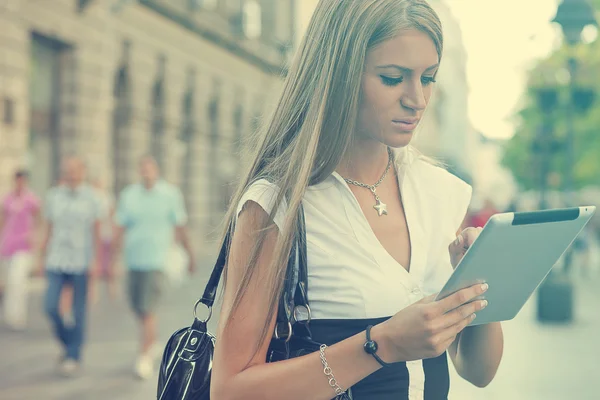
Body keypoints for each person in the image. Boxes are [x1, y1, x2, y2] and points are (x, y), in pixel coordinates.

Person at [209, 1, 504, 399]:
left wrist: (478, 284)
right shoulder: (278, 205)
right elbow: (231, 391)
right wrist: (382, 344)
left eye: (428, 78)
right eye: (393, 78)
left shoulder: (438, 191)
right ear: (340, 75)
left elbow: (478, 370)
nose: (416, 98)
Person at [113, 155, 195, 380]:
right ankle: (152, 342)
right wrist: (113, 260)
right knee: (137, 307)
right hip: (133, 261)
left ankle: (144, 355)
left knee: (147, 309)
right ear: (140, 171)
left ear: (156, 171)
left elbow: (180, 226)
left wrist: (190, 254)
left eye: (150, 169)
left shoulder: (170, 195)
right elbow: (119, 228)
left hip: (156, 261)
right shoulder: (128, 195)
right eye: (143, 169)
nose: (146, 173)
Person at [38, 156, 103, 376]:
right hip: (56, 260)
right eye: (68, 170)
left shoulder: (93, 198)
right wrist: (40, 256)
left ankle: (74, 355)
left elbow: (96, 231)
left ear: (83, 171)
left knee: (78, 311)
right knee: (49, 306)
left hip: (81, 261)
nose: (71, 174)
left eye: (75, 170)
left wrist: (95, 261)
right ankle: (68, 342)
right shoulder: (54, 196)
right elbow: (47, 228)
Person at [0, 170, 41, 330]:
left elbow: (39, 218)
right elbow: (3, 220)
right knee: (10, 281)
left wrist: (35, 237)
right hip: (8, 244)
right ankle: (10, 314)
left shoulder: (31, 199)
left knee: (18, 280)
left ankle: (18, 315)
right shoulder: (8, 199)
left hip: (23, 245)